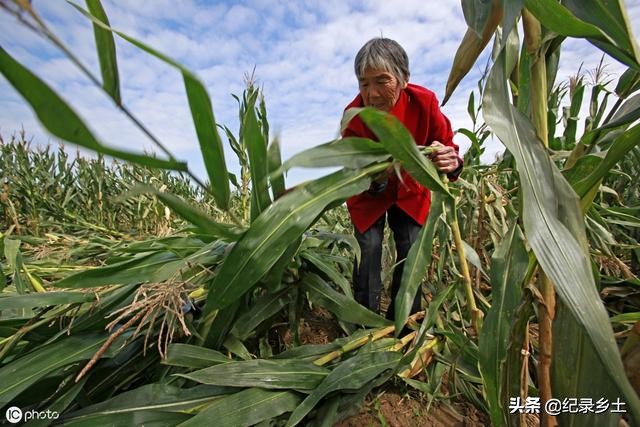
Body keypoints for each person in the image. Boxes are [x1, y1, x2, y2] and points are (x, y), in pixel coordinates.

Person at [342, 38, 463, 320]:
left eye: (381, 82)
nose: (371, 95)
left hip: (411, 190)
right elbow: (354, 169)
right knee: (369, 248)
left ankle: (405, 323)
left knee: (411, 247)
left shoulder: (425, 103)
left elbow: (448, 147)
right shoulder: (354, 118)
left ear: (404, 78)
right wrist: (377, 177)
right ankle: (365, 323)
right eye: (364, 84)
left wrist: (452, 162)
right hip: (368, 194)